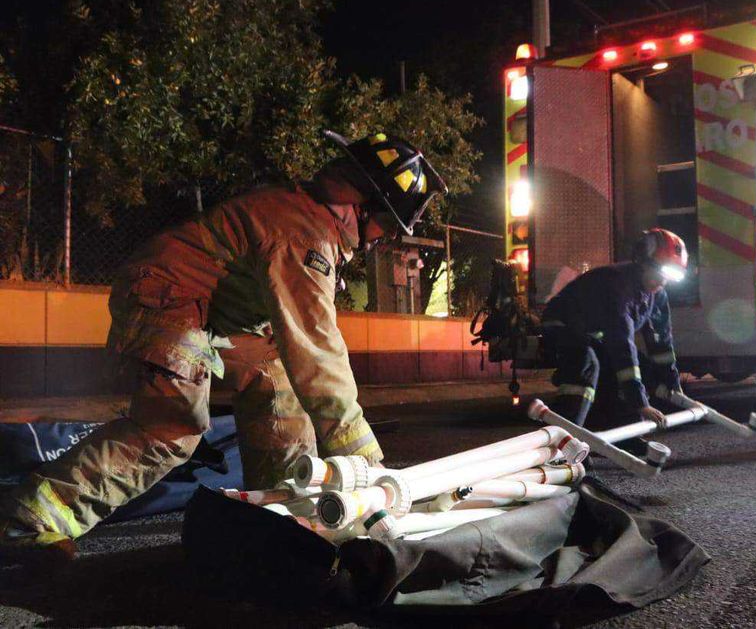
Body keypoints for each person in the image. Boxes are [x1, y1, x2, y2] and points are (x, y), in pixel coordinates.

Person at [0, 131, 447, 564]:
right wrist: (364, 459)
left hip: (210, 316)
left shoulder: (306, 219)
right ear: (359, 201)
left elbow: (296, 347)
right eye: (387, 224)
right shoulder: (304, 235)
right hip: (169, 299)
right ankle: (29, 519)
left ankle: (280, 523)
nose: (382, 238)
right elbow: (317, 349)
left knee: (279, 386)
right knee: (172, 429)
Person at [540, 228, 689, 429]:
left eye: (668, 276)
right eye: (658, 273)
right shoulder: (619, 287)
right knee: (587, 365)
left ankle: (624, 436)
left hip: (593, 333)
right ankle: (564, 437)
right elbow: (621, 344)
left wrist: (673, 385)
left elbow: (662, 343)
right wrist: (641, 404)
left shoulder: (657, 295)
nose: (662, 282)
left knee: (640, 368)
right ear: (642, 264)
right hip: (561, 323)